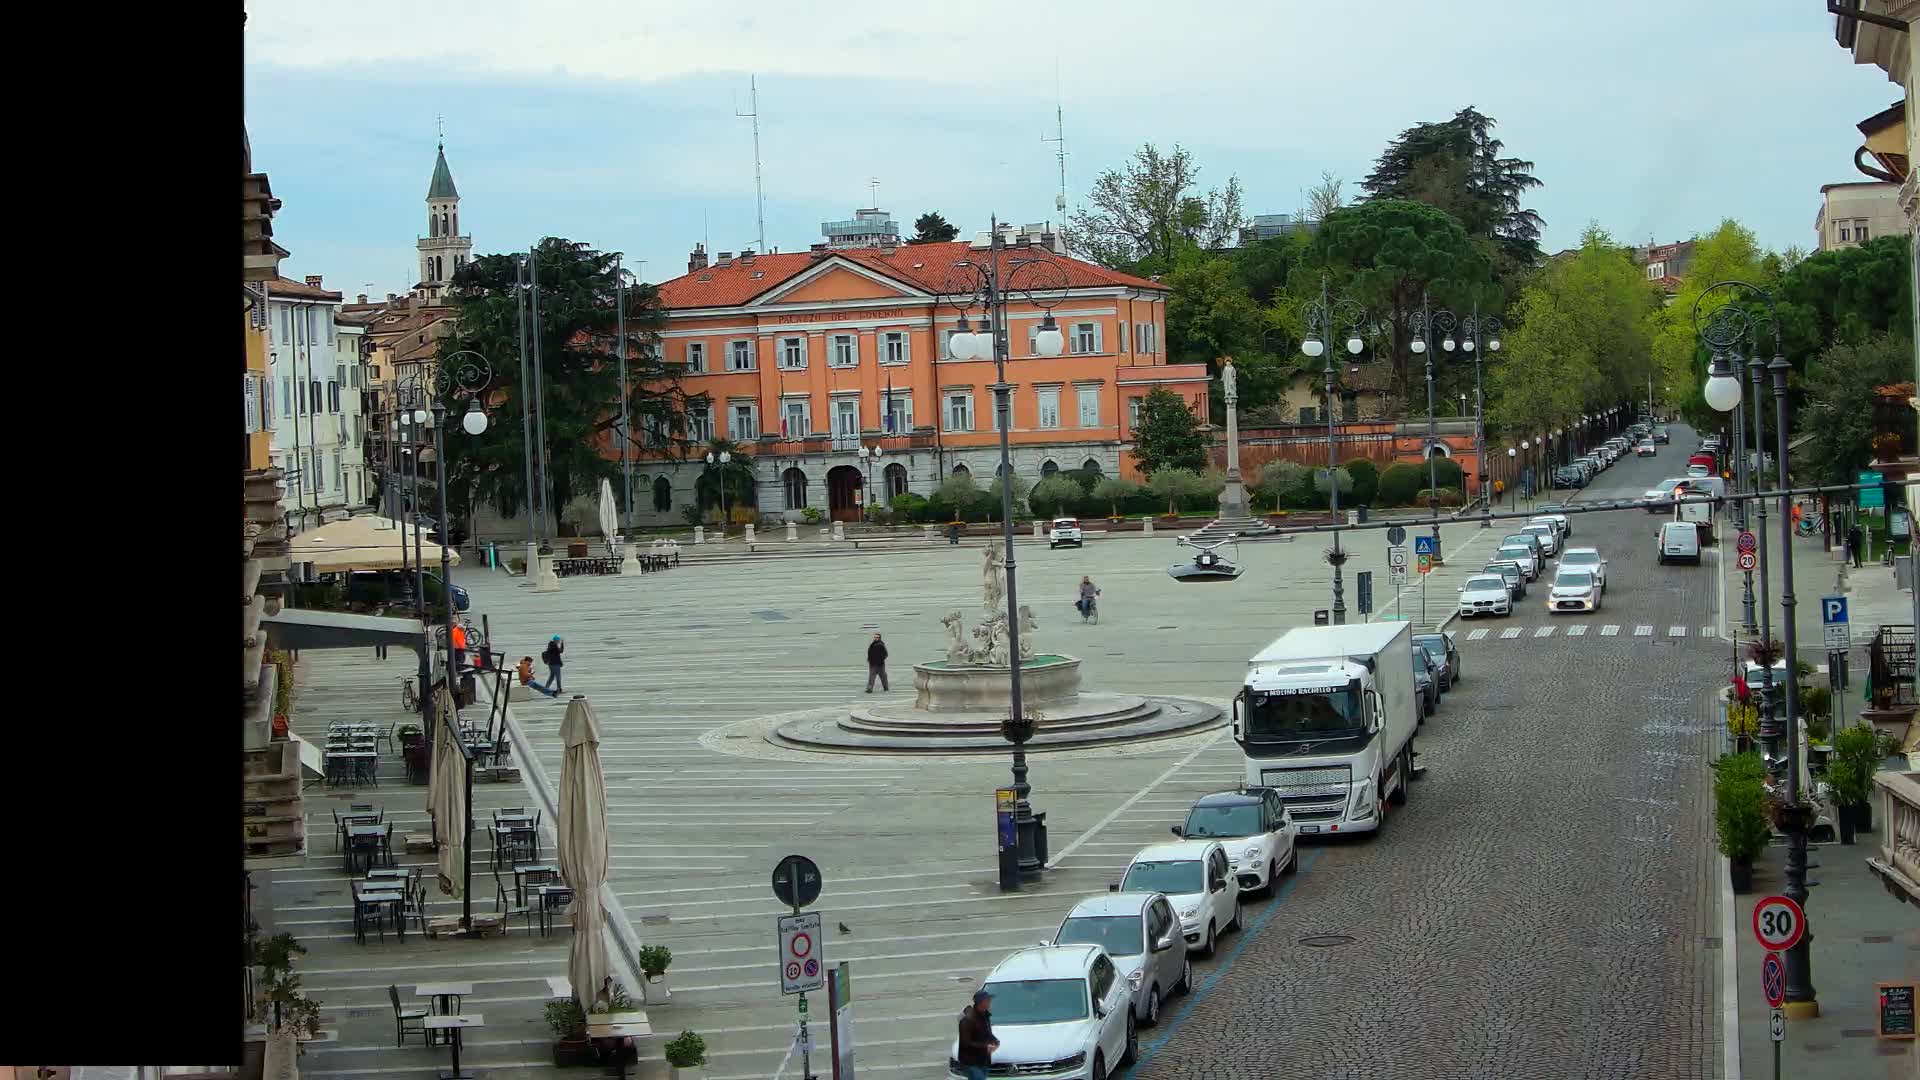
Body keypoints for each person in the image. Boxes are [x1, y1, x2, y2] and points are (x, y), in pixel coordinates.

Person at [955, 989, 998, 1080]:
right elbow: (965, 1043)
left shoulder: (985, 1016)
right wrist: (985, 1046)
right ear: (980, 1002)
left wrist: (995, 1041)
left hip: (983, 1060)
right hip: (971, 1062)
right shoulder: (968, 1020)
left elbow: (987, 1033)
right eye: (987, 1000)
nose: (990, 1002)